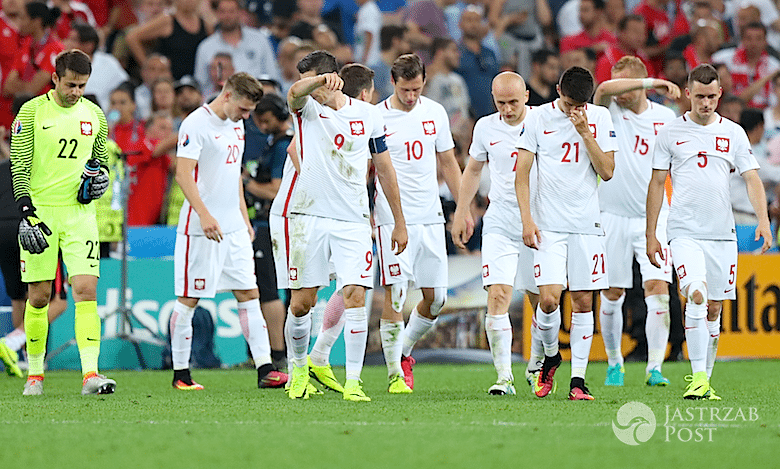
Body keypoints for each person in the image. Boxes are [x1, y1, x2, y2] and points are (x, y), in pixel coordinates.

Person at [284, 50, 407, 401]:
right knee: (302, 303)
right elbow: (294, 93)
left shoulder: (368, 116)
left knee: (356, 294)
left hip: (353, 219)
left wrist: (399, 221)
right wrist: (315, 84)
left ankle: (354, 382)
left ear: (334, 78)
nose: (311, 88)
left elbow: (384, 169)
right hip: (308, 217)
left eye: (319, 80)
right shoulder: (308, 110)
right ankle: (298, 370)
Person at [646, 63, 773, 400]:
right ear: (688, 94)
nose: (705, 103)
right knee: (696, 294)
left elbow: (751, 178)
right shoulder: (670, 133)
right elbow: (657, 183)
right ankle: (698, 377)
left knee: (714, 307)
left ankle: (706, 378)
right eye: (699, 96)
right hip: (684, 231)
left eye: (711, 97)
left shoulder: (733, 133)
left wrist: (763, 220)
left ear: (719, 95)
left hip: (722, 234)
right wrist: (651, 233)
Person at [170, 71, 287, 390]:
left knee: (250, 294)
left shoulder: (236, 124)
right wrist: (204, 215)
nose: (247, 117)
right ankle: (181, 374)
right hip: (201, 227)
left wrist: (243, 219)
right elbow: (183, 174)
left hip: (234, 227)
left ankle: (266, 369)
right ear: (227, 95)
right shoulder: (196, 124)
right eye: (244, 109)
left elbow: (234, 172)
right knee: (189, 298)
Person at [10, 49, 115, 396]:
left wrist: (99, 181)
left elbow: (100, 162)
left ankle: (90, 375)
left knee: (86, 291)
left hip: (79, 215)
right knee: (38, 298)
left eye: (82, 86)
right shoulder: (32, 112)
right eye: (70, 85)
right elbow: (20, 167)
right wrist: (26, 213)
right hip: (40, 214)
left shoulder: (94, 115)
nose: (76, 93)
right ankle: (35, 375)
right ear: (54, 79)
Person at [515, 66, 617, 401]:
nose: (576, 110)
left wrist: (586, 133)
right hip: (548, 225)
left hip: (587, 225)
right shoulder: (537, 119)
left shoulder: (600, 118)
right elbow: (522, 174)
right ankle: (552, 356)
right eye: (571, 103)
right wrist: (527, 220)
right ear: (558, 90)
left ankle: (578, 381)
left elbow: (607, 171)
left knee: (584, 301)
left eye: (581, 104)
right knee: (547, 299)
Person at [370, 54, 463, 393]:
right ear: (392, 83)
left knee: (436, 300)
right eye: (406, 90)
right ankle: (395, 373)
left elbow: (449, 164)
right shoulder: (376, 117)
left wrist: (464, 207)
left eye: (417, 89)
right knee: (395, 293)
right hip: (392, 219)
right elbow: (368, 169)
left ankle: (403, 351)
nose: (411, 97)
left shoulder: (434, 112)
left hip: (431, 217)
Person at [451, 71, 542, 395]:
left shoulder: (543, 122)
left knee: (544, 300)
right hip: (501, 220)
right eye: (501, 103)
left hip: (539, 221)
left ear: (527, 97)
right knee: (498, 295)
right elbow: (473, 169)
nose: (507, 109)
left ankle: (540, 361)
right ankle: (504, 376)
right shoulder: (486, 127)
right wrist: (463, 211)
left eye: (513, 102)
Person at [592, 56, 680, 387]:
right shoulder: (607, 111)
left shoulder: (666, 117)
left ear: (639, 81)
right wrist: (649, 83)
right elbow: (603, 88)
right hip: (611, 216)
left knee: (657, 288)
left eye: (627, 85)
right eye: (620, 85)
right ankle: (615, 362)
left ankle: (654, 367)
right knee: (612, 293)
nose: (621, 93)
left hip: (655, 217)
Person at [242, 93, 291, 372]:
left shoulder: (282, 146)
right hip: (269, 225)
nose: (261, 124)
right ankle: (271, 351)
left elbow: (276, 189)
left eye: (265, 119)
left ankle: (277, 352)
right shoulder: (279, 142)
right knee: (266, 289)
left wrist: (245, 183)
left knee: (268, 290)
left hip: (268, 225)